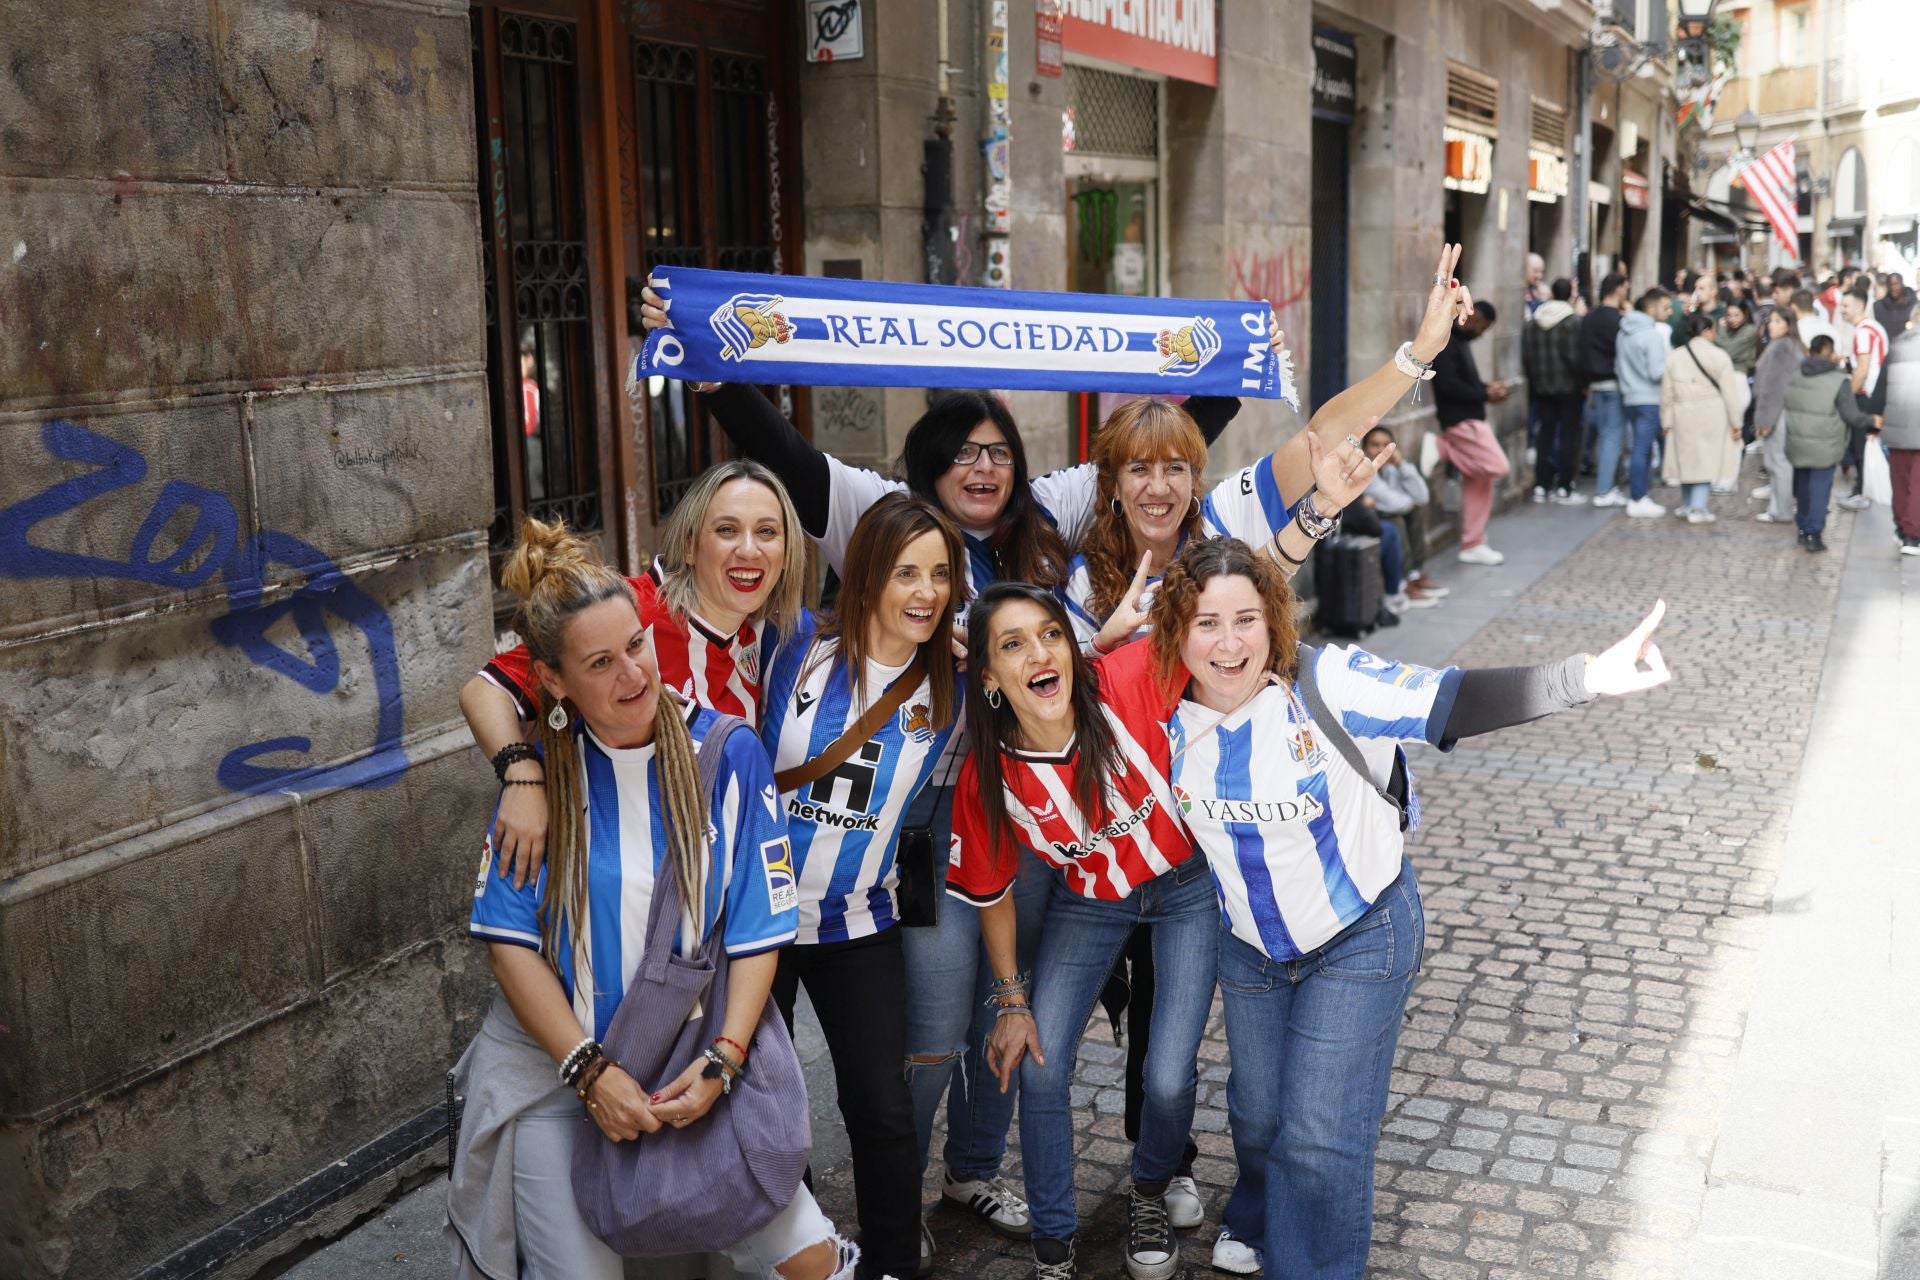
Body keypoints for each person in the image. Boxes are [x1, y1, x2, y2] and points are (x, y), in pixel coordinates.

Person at [1143, 536, 1669, 1280]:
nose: (1228, 644)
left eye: (1246, 620)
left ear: (1274, 622)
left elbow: (1447, 701)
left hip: (1360, 934)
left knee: (1320, 1134)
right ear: (1177, 632)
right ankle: (1259, 1210)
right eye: (1205, 623)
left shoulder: (1327, 682)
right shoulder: (1158, 711)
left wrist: (1583, 677)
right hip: (1251, 948)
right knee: (1259, 1118)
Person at [450, 518, 860, 1280]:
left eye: (635, 645)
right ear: (553, 681)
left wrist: (723, 1061)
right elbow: (507, 942)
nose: (632, 675)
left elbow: (757, 926)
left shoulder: (727, 753)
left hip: (686, 1055)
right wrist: (587, 1070)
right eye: (599, 662)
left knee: (808, 1259)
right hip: (558, 1077)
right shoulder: (540, 780)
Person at [948, 584, 1219, 1280]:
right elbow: (994, 896)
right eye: (1012, 644)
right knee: (1039, 1065)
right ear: (988, 677)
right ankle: (1054, 1242)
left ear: (1072, 646)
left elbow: (1226, 628)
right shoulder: (988, 772)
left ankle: (1151, 1192)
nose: (1039, 653)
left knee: (1165, 1078)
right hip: (1092, 901)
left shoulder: (1125, 677)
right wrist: (1011, 1003)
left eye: (1050, 634)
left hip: (1186, 889)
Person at [760, 493, 969, 1280]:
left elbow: (1046, 664)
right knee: (766, 1104)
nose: (925, 591)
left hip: (859, 921)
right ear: (870, 574)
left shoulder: (951, 680)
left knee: (881, 1108)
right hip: (758, 922)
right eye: (907, 572)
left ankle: (890, 1264)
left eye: (941, 574)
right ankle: (796, 1249)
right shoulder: (793, 649)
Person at [462, 459, 811, 886]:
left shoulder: (764, 635)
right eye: (726, 530)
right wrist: (522, 778)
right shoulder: (628, 611)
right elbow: (484, 692)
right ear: (687, 544)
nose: (749, 550)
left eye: (767, 532)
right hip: (600, 885)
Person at [1431, 299, 1513, 563]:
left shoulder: (1460, 342)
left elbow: (1464, 382)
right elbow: (1446, 385)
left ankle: (1472, 542)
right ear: (1474, 318)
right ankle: (1441, 449)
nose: (1482, 333)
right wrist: (1483, 393)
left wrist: (1487, 390)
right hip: (1461, 422)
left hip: (1469, 417)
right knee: (1498, 467)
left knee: (1479, 484)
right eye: (1484, 327)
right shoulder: (1446, 340)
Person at [1783, 334, 1877, 553]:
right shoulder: (1839, 380)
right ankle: (1814, 533)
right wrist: (1872, 420)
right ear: (1831, 352)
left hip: (1798, 439)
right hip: (1825, 442)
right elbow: (1851, 415)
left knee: (1803, 486)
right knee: (1820, 488)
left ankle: (1803, 527)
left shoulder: (1796, 375)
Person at [1661, 312, 1749, 522]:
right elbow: (1729, 393)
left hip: (1682, 411)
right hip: (1712, 412)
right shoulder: (1719, 356)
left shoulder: (1675, 356)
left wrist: (1666, 420)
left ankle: (1687, 503)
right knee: (1706, 459)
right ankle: (1698, 508)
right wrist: (1736, 422)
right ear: (1708, 331)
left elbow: (1667, 393)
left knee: (1686, 458)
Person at [1360, 423, 1450, 603]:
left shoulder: (1394, 468)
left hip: (1385, 513)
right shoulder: (1363, 470)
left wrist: (1401, 464)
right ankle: (1402, 582)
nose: (1380, 450)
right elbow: (1391, 501)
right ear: (1365, 448)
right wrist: (1406, 503)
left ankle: (1414, 574)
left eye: (1386, 445)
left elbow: (1422, 496)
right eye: (1375, 445)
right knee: (1398, 518)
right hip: (1364, 522)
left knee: (1413, 511)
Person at [1522, 277, 1588, 503]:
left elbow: (1528, 358)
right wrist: (1583, 383)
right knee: (1568, 435)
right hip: (1569, 388)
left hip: (1542, 387)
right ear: (1570, 294)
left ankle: (1541, 484)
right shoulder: (1572, 322)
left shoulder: (1533, 323)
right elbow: (1575, 358)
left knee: (1545, 435)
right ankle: (1564, 485)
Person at [1615, 288, 1674, 519]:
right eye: (1665, 307)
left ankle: (1639, 495)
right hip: (1649, 397)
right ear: (1651, 308)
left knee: (1640, 448)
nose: (1669, 312)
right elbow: (1656, 371)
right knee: (1643, 448)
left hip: (1629, 395)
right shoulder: (1651, 335)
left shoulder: (1624, 332)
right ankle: (1638, 497)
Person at [1749, 305, 1806, 524]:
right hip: (1783, 411)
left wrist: (1764, 420)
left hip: (1779, 413)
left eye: (1777, 321)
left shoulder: (1783, 348)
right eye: (1770, 321)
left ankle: (1780, 510)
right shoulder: (1787, 346)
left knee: (1777, 461)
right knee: (1776, 461)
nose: (1771, 325)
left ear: (1788, 325)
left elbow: (1773, 388)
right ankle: (1778, 507)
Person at [1579, 272, 1632, 505]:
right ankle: (1604, 490)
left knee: (1606, 433)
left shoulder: (1589, 318)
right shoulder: (1618, 320)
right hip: (1613, 381)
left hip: (1594, 383)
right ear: (1619, 289)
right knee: (1612, 435)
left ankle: (1608, 485)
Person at [1838, 284, 1890, 512]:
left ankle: (1863, 492)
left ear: (1859, 306)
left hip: (1866, 396)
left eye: (1845, 305)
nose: (1841, 310)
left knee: (1861, 445)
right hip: (1874, 394)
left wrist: (1847, 396)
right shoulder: (1872, 327)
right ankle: (1862, 489)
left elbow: (1863, 369)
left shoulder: (1863, 332)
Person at [1881, 319, 1920, 554]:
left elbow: (1881, 385)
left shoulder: (1897, 344)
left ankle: (1902, 528)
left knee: (1901, 479)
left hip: (1898, 420)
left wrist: (1872, 417)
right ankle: (1914, 535)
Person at [1715, 299, 1758, 376]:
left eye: (1737, 315)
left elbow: (1727, 351)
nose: (1732, 319)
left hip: (1741, 374)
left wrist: (1721, 330)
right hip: (1724, 372)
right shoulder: (1727, 329)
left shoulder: (1750, 330)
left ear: (1745, 314)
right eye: (1729, 315)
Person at [1876, 272, 1916, 336]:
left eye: (1896, 284)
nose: (1893, 288)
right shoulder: (1878, 306)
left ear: (1902, 284)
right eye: (1890, 285)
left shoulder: (1915, 306)